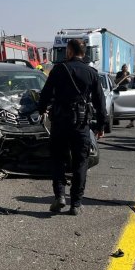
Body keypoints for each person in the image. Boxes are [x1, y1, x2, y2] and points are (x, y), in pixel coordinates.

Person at [38, 39, 106, 216]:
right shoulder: (91, 72)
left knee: (58, 160)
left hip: (60, 122)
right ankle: (76, 203)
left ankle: (60, 195)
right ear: (84, 53)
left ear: (69, 52)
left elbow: (45, 94)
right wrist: (101, 125)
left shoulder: (59, 70)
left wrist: (41, 109)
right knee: (80, 163)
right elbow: (100, 101)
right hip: (81, 124)